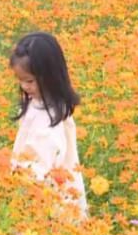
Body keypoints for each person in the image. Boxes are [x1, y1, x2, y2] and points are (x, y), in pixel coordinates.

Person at [8, 32, 88, 220]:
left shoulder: (50, 119)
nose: (24, 86)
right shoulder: (40, 103)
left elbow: (40, 169)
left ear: (50, 77)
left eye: (29, 81)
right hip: (37, 193)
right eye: (20, 80)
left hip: (47, 201)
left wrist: (13, 178)